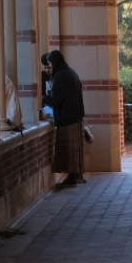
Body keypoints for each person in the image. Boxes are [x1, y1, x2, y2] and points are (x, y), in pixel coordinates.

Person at [42, 50, 93, 188]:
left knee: (69, 149)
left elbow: (57, 99)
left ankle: (71, 177)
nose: (50, 67)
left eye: (51, 63)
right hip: (76, 116)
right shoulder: (71, 72)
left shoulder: (60, 75)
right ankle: (76, 174)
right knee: (75, 149)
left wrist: (44, 99)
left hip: (66, 118)